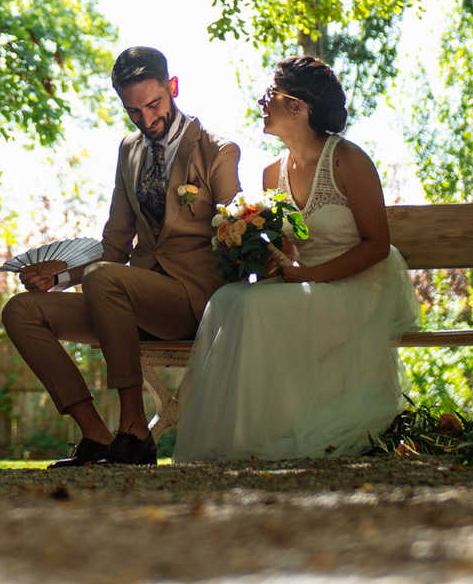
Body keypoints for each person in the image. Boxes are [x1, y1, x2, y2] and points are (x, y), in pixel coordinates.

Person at [1, 45, 243, 467]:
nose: (146, 119)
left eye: (154, 105)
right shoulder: (129, 150)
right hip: (125, 301)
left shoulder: (217, 150)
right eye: (133, 111)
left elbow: (235, 230)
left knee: (104, 277)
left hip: (191, 301)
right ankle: (95, 435)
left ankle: (134, 429)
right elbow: (115, 245)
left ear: (173, 87)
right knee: (21, 311)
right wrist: (58, 279)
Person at [173, 57, 418, 463]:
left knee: (254, 308)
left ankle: (260, 438)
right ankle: (238, 439)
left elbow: (377, 244)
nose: (261, 101)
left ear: (297, 107)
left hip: (360, 282)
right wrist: (260, 255)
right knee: (228, 300)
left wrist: (311, 275)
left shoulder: (348, 160)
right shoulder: (273, 174)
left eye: (270, 93)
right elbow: (290, 249)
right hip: (308, 281)